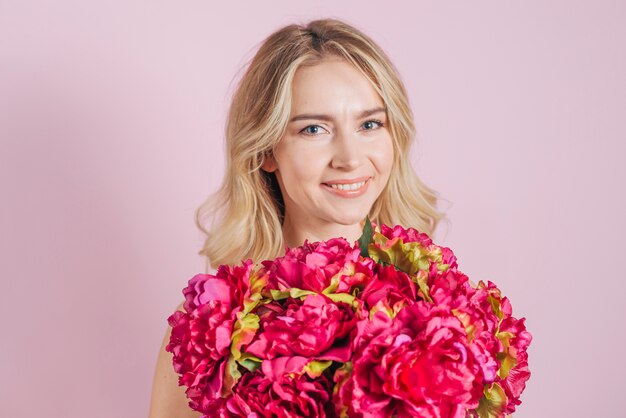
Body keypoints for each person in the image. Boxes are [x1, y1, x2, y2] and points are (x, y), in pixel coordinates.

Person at [148, 18, 444, 417]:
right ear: (265, 151)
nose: (351, 158)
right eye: (314, 129)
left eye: (369, 124)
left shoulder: (437, 309)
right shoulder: (207, 331)